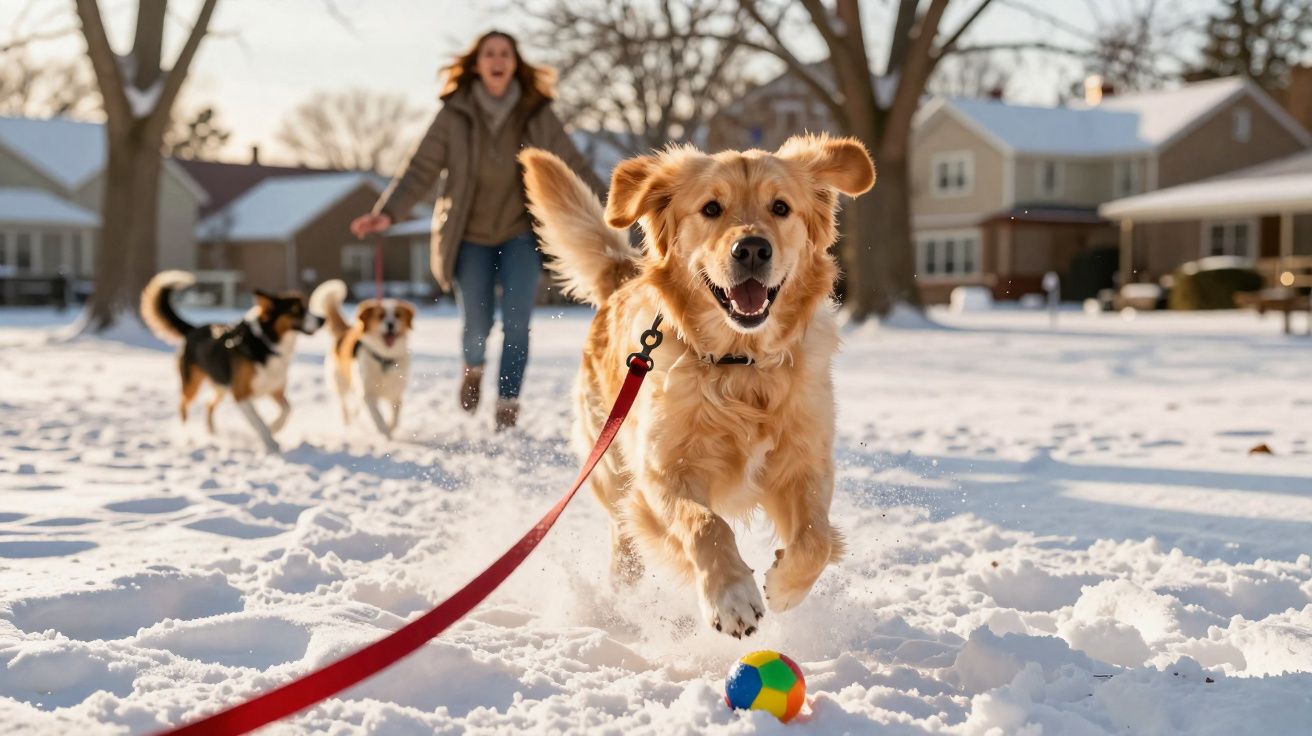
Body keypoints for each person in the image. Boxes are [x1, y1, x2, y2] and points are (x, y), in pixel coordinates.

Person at [351, 30, 604, 431]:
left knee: (518, 322)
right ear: (477, 64)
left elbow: (572, 164)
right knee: (476, 325)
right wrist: (388, 213)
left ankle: (507, 401)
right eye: (490, 54)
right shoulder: (455, 113)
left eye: (505, 53)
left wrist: (613, 204)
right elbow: (420, 169)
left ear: (514, 63)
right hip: (468, 238)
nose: (497, 60)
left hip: (520, 233)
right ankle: (473, 367)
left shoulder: (535, 113)